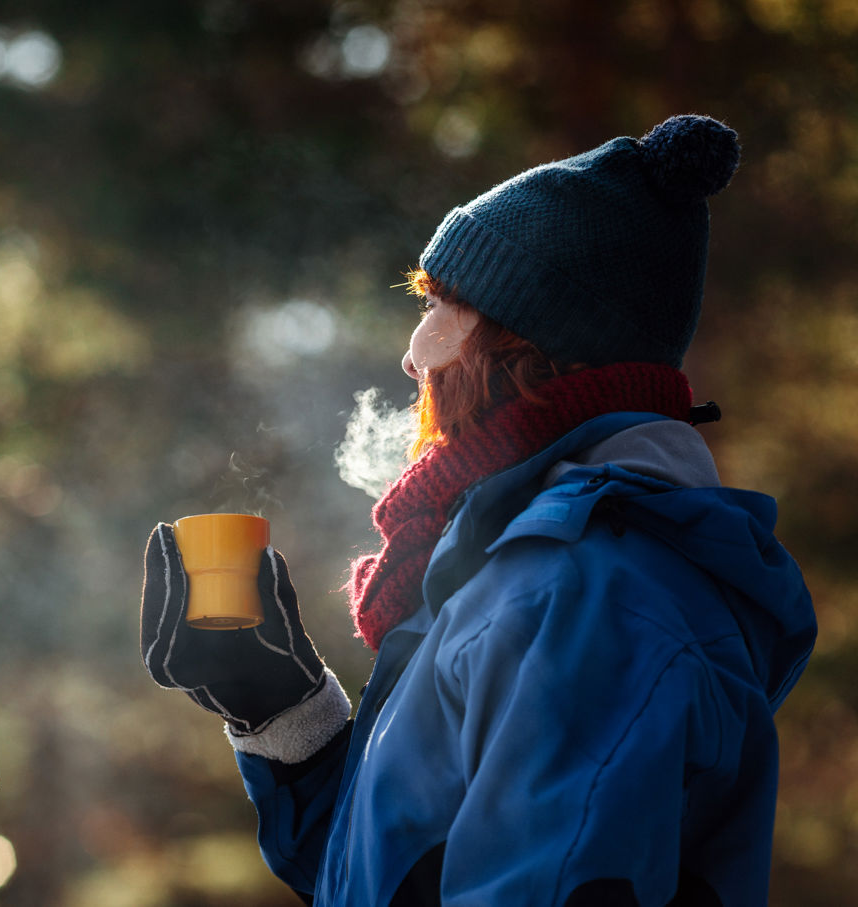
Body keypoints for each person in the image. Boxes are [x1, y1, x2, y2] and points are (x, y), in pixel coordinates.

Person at [141, 115, 816, 905]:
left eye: (439, 306)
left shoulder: (578, 596)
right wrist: (286, 715)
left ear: (520, 350)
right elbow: (393, 876)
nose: (412, 355)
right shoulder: (531, 575)